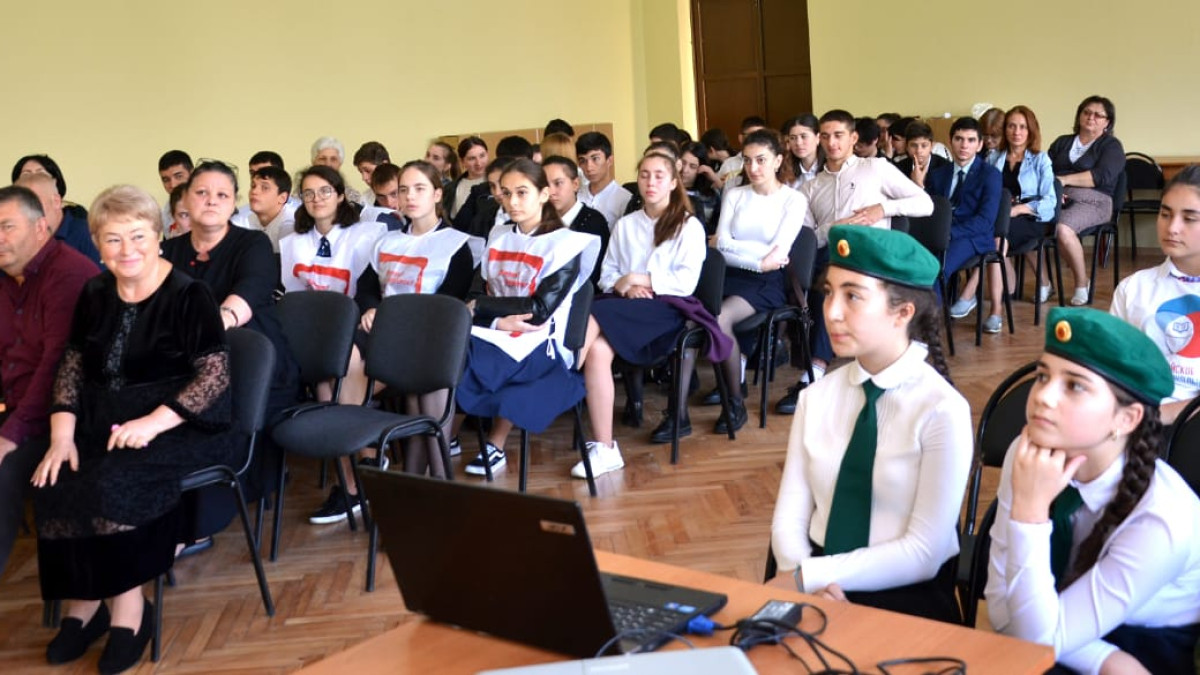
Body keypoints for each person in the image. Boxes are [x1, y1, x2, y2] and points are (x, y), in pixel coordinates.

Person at [31, 184, 239, 673]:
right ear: (97, 244)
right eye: (113, 239)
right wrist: (61, 435)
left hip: (181, 423)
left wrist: (153, 423)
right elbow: (73, 366)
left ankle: (130, 611)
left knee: (111, 482)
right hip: (105, 419)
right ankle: (84, 603)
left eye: (138, 236)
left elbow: (214, 376)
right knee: (54, 477)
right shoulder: (94, 292)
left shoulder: (189, 294)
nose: (127, 250)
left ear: (160, 236)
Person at [768, 225, 968, 623]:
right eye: (829, 292)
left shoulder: (942, 409)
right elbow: (790, 517)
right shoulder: (816, 397)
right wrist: (803, 577)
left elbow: (924, 552)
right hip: (810, 576)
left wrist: (810, 577)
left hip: (906, 596)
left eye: (853, 296)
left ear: (903, 312)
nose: (831, 312)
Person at [986, 307, 1200, 674]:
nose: (1043, 396)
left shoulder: (1162, 517)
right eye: (1042, 376)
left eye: (1075, 386)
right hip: (1063, 641)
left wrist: (1029, 514)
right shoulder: (1029, 456)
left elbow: (1036, 634)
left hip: (1145, 651)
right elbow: (999, 604)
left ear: (1126, 418)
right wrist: (1103, 659)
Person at [310, 161, 480, 521]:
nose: (410, 196)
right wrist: (371, 308)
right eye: (404, 190)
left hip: (426, 338)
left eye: (420, 189)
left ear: (437, 194)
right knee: (331, 373)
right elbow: (367, 288)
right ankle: (361, 470)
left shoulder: (456, 245)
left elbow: (448, 304)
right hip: (381, 333)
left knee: (350, 388)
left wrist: (392, 320)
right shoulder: (387, 241)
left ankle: (377, 478)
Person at [162, 161, 302, 541]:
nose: (211, 201)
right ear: (185, 199)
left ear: (233, 202)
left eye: (222, 194)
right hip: (187, 363)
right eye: (202, 193)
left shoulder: (252, 244)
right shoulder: (168, 251)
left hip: (252, 366)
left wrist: (206, 328)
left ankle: (193, 525)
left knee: (199, 414)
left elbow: (244, 299)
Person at [775, 109, 934, 415]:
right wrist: (836, 227)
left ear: (853, 138)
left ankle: (866, 364)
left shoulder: (875, 168)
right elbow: (808, 239)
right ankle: (813, 372)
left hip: (874, 258)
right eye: (825, 136)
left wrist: (882, 209)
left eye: (839, 135)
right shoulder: (811, 187)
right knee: (825, 286)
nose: (832, 143)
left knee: (839, 286)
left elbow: (924, 203)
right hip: (833, 259)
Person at [577, 152, 722, 475]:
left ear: (673, 183)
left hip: (668, 309)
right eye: (644, 175)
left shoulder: (688, 226)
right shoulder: (626, 224)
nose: (650, 182)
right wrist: (626, 288)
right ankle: (606, 448)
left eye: (659, 176)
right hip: (626, 305)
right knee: (597, 351)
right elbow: (607, 274)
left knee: (592, 312)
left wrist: (636, 279)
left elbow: (685, 283)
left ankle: (561, 372)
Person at [456, 159, 600, 476]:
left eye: (522, 192)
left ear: (544, 194)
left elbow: (538, 310)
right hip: (496, 331)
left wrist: (481, 308)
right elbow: (474, 294)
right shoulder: (499, 235)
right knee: (448, 349)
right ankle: (439, 441)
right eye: (506, 193)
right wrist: (494, 319)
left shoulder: (566, 244)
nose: (513, 202)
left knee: (459, 357)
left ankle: (447, 441)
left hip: (542, 340)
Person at [682, 129, 806, 439]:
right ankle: (678, 412)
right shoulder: (735, 194)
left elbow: (777, 254)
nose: (753, 168)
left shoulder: (793, 200)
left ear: (778, 160)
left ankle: (734, 402)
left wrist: (734, 247)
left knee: (720, 318)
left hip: (767, 282)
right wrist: (754, 255)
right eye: (748, 161)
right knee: (688, 318)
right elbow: (719, 248)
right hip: (728, 274)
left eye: (761, 160)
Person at [0, 186, 98, 576]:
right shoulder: (7, 278)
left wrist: (11, 433)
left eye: (7, 227)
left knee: (3, 470)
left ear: (41, 227)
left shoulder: (67, 273)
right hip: (17, 407)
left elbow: (58, 366)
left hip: (65, 418)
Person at [1110, 165, 1200, 425]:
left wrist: (1156, 417)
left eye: (1189, 218)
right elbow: (1113, 369)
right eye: (1165, 214)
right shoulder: (1133, 288)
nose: (1172, 228)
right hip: (1135, 422)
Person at [964, 105, 1058, 308]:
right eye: (1012, 126)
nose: (1017, 132)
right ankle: (1008, 284)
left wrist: (1018, 210)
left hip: (1032, 217)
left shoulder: (1040, 159)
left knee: (993, 235)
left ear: (1031, 130)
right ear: (1005, 129)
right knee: (988, 230)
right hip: (1001, 216)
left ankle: (969, 292)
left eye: (1023, 127)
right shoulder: (993, 158)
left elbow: (1050, 201)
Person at [1047, 96, 1126, 306]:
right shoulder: (1062, 142)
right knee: (1026, 222)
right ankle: (1044, 283)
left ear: (1107, 122)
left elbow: (1100, 177)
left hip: (1095, 201)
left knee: (1062, 229)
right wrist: (1054, 189)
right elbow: (1045, 171)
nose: (1091, 117)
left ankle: (1082, 284)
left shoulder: (1111, 146)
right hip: (1057, 198)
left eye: (1098, 115)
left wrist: (1063, 180)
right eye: (1087, 112)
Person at [927, 117, 1003, 332]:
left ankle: (927, 327)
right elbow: (929, 210)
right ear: (951, 141)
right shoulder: (938, 174)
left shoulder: (990, 175)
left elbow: (985, 221)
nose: (964, 145)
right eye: (959, 139)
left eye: (970, 140)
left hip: (973, 237)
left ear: (979, 145)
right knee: (912, 262)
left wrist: (948, 233)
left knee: (936, 268)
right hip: (940, 234)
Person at [279, 166, 386, 296]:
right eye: (308, 193)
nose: (316, 199)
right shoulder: (292, 243)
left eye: (325, 191)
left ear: (340, 196)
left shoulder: (365, 238)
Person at [544, 156, 609, 287]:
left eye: (558, 183)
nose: (551, 192)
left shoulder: (593, 221)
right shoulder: (538, 221)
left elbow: (593, 274)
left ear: (575, 184)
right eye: (545, 185)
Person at [15, 171, 101, 265]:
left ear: (56, 202)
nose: (26, 212)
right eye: (20, 206)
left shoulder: (88, 234)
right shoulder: (16, 236)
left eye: (33, 203)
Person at [230, 166, 297, 251]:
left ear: (282, 198)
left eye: (265, 188)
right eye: (253, 186)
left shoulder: (292, 224)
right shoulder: (244, 219)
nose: (254, 191)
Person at [576, 131, 632, 227]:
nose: (589, 167)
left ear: (609, 160)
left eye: (595, 159)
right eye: (583, 161)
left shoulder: (625, 199)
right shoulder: (576, 197)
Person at [714, 116, 767, 192]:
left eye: (761, 136)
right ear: (741, 138)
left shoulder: (770, 163)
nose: (756, 141)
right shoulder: (729, 164)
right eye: (752, 136)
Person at [443, 136, 489, 222]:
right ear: (462, 161)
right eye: (472, 158)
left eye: (482, 156)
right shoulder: (451, 188)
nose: (478, 163)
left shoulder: (499, 182)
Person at [679, 142, 721, 233]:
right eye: (683, 163)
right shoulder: (666, 190)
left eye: (692, 166)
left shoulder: (711, 196)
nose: (685, 170)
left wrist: (716, 180)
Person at [894, 121, 949, 188]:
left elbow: (942, 194)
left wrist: (919, 184)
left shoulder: (945, 167)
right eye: (914, 145)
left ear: (931, 146)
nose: (919, 151)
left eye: (924, 146)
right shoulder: (898, 168)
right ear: (907, 146)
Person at [311, 136, 364, 206]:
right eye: (322, 159)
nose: (328, 164)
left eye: (333, 159)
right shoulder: (302, 193)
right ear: (313, 162)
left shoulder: (352, 197)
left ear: (340, 163)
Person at [781, 114, 822, 190]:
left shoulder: (830, 168)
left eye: (804, 136)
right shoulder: (785, 170)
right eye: (793, 138)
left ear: (818, 138)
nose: (798, 143)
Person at [157, 150, 193, 232]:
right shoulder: (166, 213)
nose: (173, 185)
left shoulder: (208, 203)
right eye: (166, 180)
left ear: (192, 174)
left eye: (179, 176)